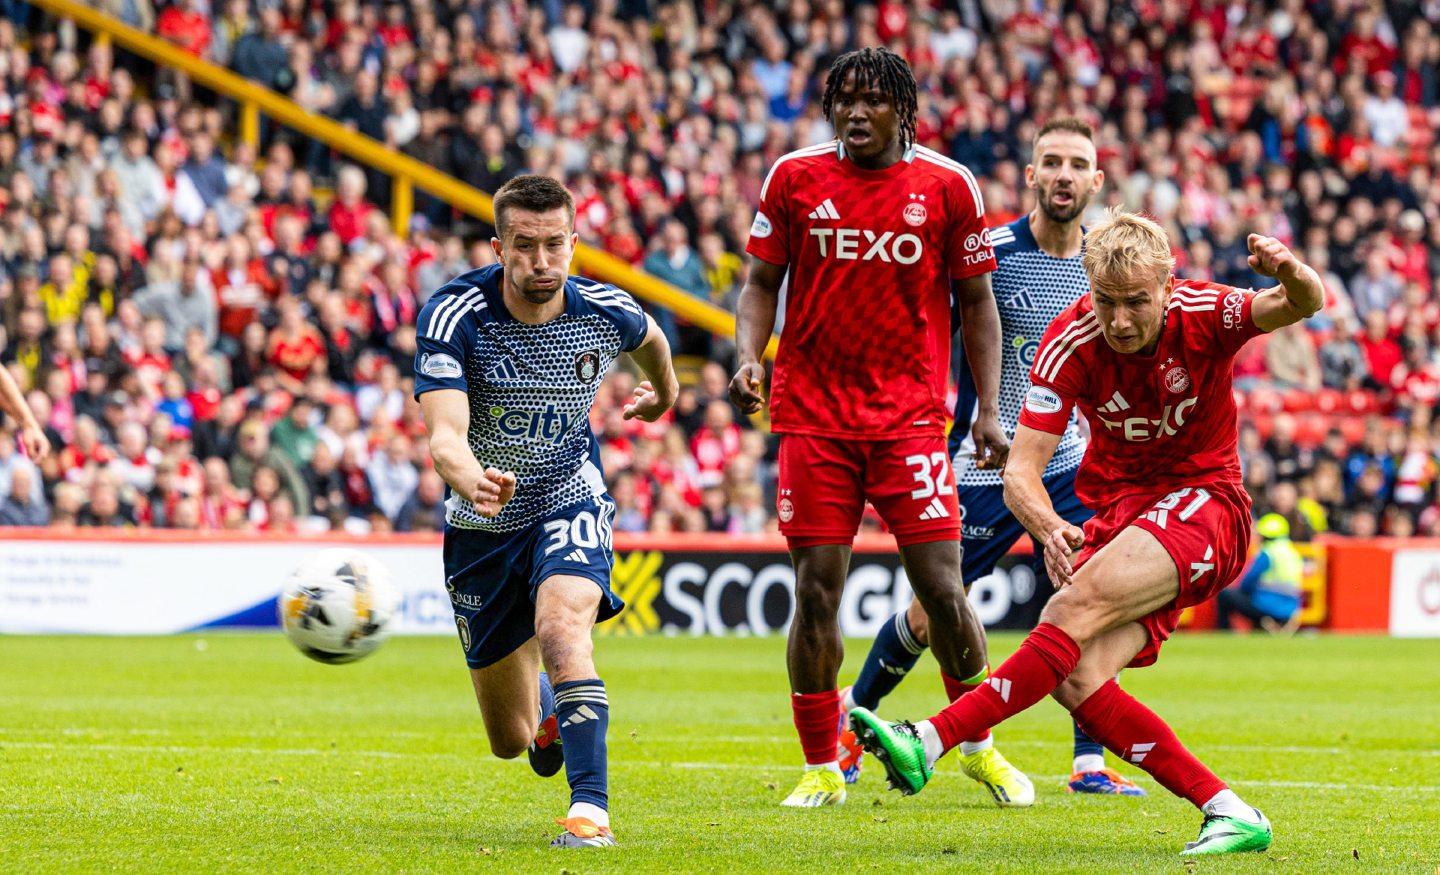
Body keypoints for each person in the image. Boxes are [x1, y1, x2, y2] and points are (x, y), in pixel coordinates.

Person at [850, 210, 1325, 855]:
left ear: (1166, 285)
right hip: (1127, 517)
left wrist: (1288, 269)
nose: (1121, 320)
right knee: (1078, 681)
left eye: (1136, 302)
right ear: (1088, 287)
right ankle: (1229, 810)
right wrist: (1047, 527)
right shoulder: (1071, 340)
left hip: (1208, 504)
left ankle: (929, 739)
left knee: (1068, 608)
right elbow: (1020, 471)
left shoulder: (1208, 313)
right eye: (1107, 302)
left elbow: (1307, 301)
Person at [729, 47, 1024, 809]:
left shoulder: (948, 185)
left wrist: (989, 408)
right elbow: (761, 280)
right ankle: (823, 764)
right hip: (814, 418)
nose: (856, 112)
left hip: (911, 421)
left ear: (905, 110)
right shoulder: (794, 177)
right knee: (816, 591)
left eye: (873, 100)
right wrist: (748, 357)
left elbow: (978, 304)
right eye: (845, 100)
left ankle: (977, 744)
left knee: (944, 589)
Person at [840, 118, 1145, 797]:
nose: (1064, 175)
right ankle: (851, 721)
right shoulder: (993, 251)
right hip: (985, 456)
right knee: (932, 611)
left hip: (1069, 460)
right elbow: (927, 326)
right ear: (1031, 176)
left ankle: (1089, 763)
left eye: (1077, 165)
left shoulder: (1106, 264)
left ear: (1097, 181)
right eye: (1051, 162)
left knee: (1093, 594)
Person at [415, 175, 678, 850]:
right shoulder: (455, 314)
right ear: (498, 246)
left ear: (573, 243)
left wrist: (664, 394)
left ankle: (590, 813)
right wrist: (471, 477)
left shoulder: (603, 309)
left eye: (554, 244)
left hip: (567, 492)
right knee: (512, 738)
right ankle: (551, 711)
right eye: (525, 245)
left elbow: (653, 342)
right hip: (481, 521)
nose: (541, 261)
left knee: (562, 629)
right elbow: (444, 434)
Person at [1216, 514, 1303, 633]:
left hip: (1266, 606)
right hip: (1291, 608)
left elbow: (1247, 582)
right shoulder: (1293, 553)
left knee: (1225, 595)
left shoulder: (1267, 553)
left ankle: (1224, 631)